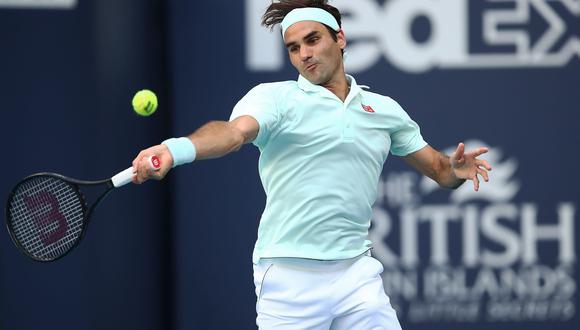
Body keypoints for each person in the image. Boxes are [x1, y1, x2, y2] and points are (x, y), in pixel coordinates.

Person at [131, 0, 492, 328]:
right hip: (288, 278)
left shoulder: (383, 110)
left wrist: (455, 171)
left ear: (341, 39)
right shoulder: (274, 99)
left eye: (313, 40)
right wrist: (175, 149)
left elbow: (440, 171)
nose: (304, 54)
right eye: (293, 48)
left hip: (356, 273)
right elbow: (233, 133)